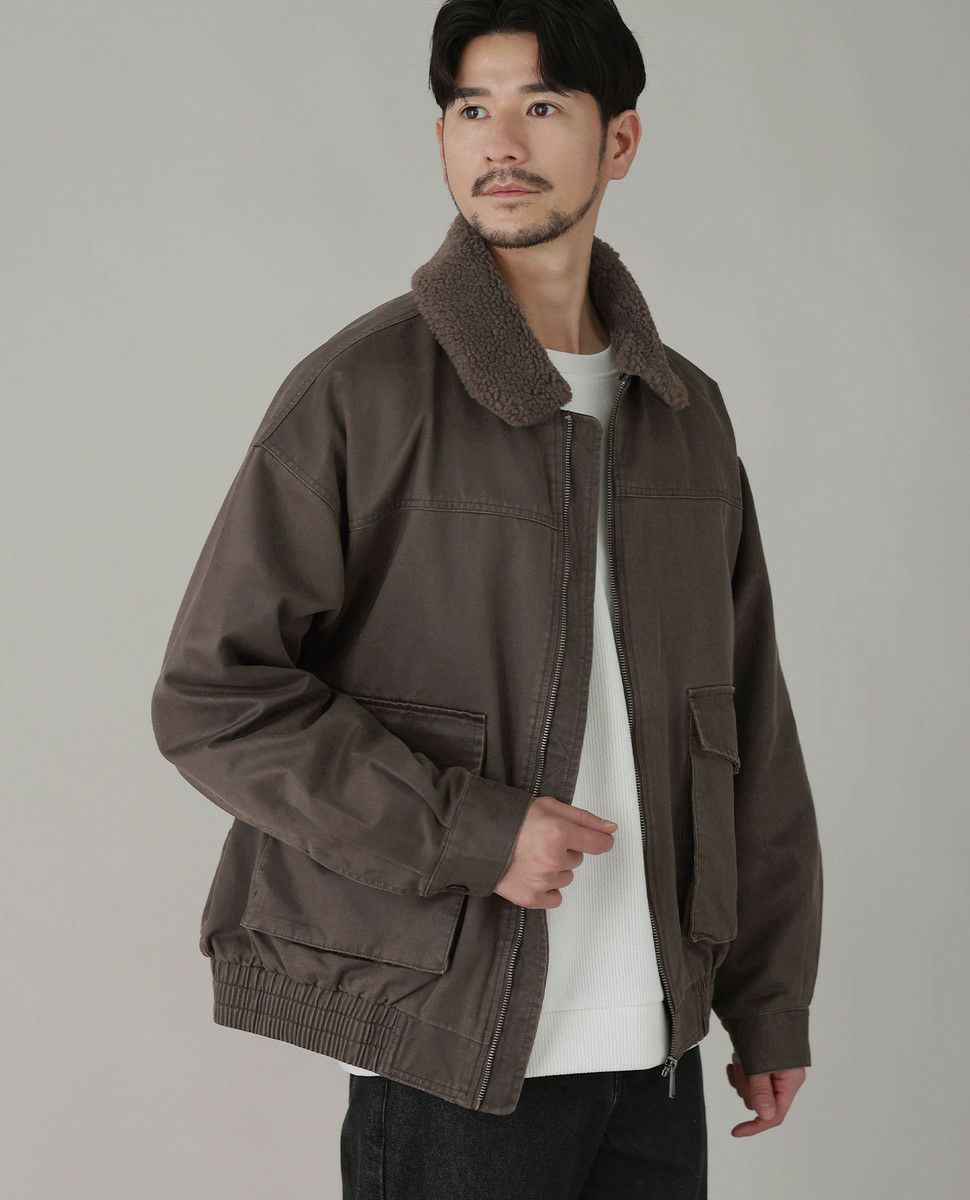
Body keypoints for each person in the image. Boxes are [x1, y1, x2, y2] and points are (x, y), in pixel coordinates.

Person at [150, 1, 823, 1196]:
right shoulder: (362, 391)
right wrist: (469, 830)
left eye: (541, 106)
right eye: (471, 109)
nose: (499, 142)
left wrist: (766, 1000)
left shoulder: (684, 415)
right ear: (443, 136)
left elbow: (749, 723)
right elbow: (213, 697)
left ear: (619, 141)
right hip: (452, 1054)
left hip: (655, 1053)